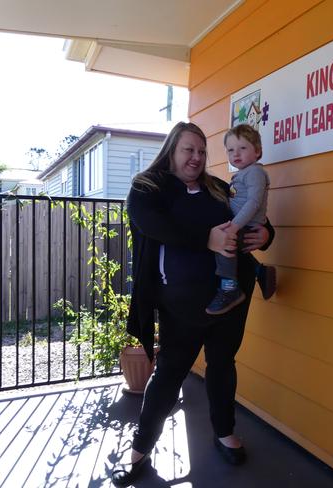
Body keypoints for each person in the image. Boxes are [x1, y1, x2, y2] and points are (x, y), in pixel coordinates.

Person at [111, 122, 274, 487]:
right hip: (181, 305)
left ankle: (223, 433)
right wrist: (208, 240)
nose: (197, 157)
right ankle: (139, 450)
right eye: (189, 149)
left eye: (202, 151)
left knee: (222, 365)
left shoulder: (217, 187)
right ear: (172, 149)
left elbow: (252, 210)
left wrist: (267, 234)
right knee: (168, 374)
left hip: (230, 298)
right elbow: (154, 226)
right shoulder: (148, 187)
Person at [206, 124, 277, 315]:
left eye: (243, 148)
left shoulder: (255, 172)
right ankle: (259, 271)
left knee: (225, 243)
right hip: (244, 224)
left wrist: (234, 227)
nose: (236, 153)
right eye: (230, 150)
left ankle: (229, 289)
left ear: (258, 151)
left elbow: (254, 202)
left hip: (248, 225)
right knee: (233, 246)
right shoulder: (242, 174)